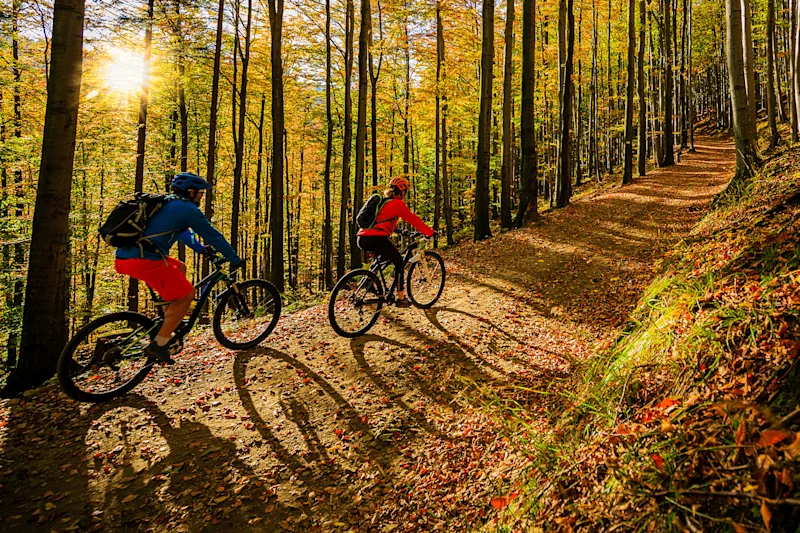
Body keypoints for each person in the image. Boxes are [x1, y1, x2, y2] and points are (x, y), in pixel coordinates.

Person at [115, 172, 242, 363]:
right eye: (200, 192)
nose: (201, 196)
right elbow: (213, 236)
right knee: (188, 294)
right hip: (144, 260)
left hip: (127, 257)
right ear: (190, 191)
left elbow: (182, 233)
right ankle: (159, 344)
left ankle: (169, 320)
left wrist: (200, 249)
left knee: (180, 267)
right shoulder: (187, 209)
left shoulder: (167, 203)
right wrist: (233, 258)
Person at [357, 176, 434, 308]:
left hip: (362, 237)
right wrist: (430, 232)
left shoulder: (385, 202)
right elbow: (413, 220)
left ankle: (368, 279)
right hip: (376, 238)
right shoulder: (397, 204)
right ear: (402, 191)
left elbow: (381, 223)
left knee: (383, 257)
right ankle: (401, 298)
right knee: (399, 262)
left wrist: (400, 231)